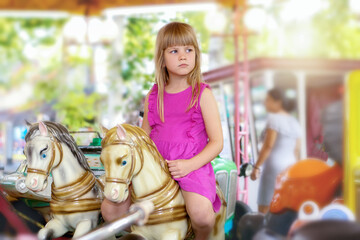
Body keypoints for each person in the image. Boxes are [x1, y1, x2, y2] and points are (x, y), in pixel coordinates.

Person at [141, 22, 223, 240]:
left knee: (201, 216)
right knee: (115, 207)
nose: (183, 56)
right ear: (162, 58)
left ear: (196, 54)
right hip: (158, 166)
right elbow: (144, 138)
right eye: (174, 51)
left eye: (189, 50)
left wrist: (189, 165)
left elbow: (217, 142)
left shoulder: (202, 94)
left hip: (192, 166)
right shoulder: (154, 95)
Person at [251, 88, 301, 214]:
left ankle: (264, 230)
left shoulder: (274, 119)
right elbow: (297, 149)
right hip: (290, 165)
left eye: (267, 100)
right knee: (284, 203)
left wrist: (256, 167)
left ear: (278, 102)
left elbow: (268, 146)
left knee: (265, 204)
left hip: (273, 167)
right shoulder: (294, 122)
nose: (265, 103)